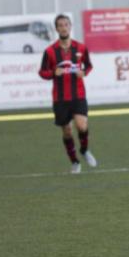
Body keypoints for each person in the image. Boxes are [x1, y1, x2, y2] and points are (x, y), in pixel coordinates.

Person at [38, 14, 96, 174]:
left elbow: (89, 66)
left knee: (82, 125)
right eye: (60, 25)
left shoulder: (81, 48)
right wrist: (53, 73)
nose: (64, 27)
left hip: (78, 95)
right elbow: (42, 72)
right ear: (56, 29)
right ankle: (75, 162)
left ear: (70, 27)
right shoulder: (50, 51)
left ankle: (84, 150)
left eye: (66, 24)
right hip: (60, 98)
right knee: (67, 131)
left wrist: (84, 72)